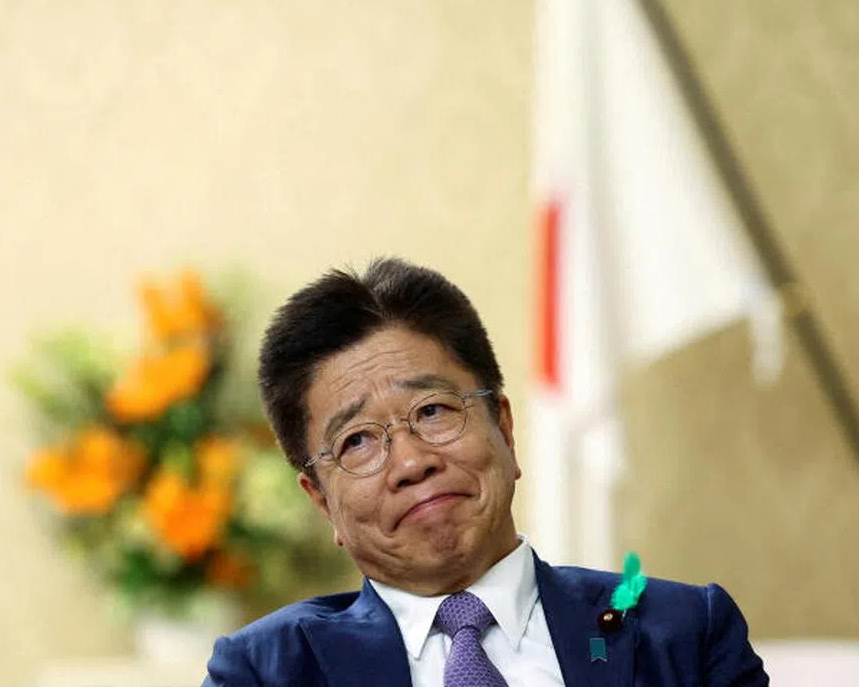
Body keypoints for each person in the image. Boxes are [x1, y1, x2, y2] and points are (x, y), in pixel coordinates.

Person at [202, 258, 768, 687]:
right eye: (357, 442)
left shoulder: (684, 634)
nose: (411, 461)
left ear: (504, 426)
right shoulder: (267, 673)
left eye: (432, 411)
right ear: (321, 499)